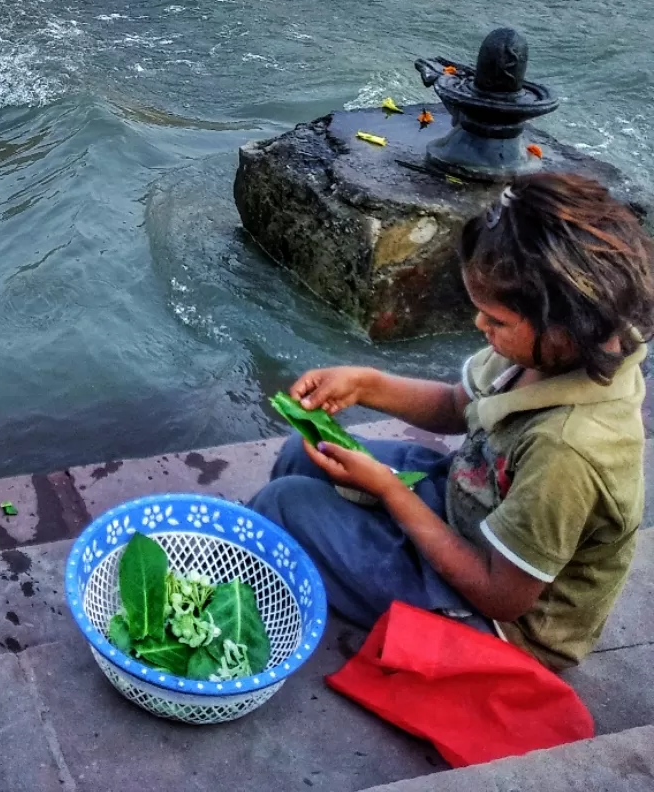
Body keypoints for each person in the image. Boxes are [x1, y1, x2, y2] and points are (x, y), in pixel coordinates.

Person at [250, 172, 653, 669]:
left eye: (496, 320)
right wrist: (367, 384)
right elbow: (455, 405)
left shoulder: (567, 452)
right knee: (301, 454)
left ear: (569, 327)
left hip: (498, 624)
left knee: (283, 507)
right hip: (467, 504)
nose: (479, 326)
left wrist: (391, 493)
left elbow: (500, 595)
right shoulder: (551, 350)